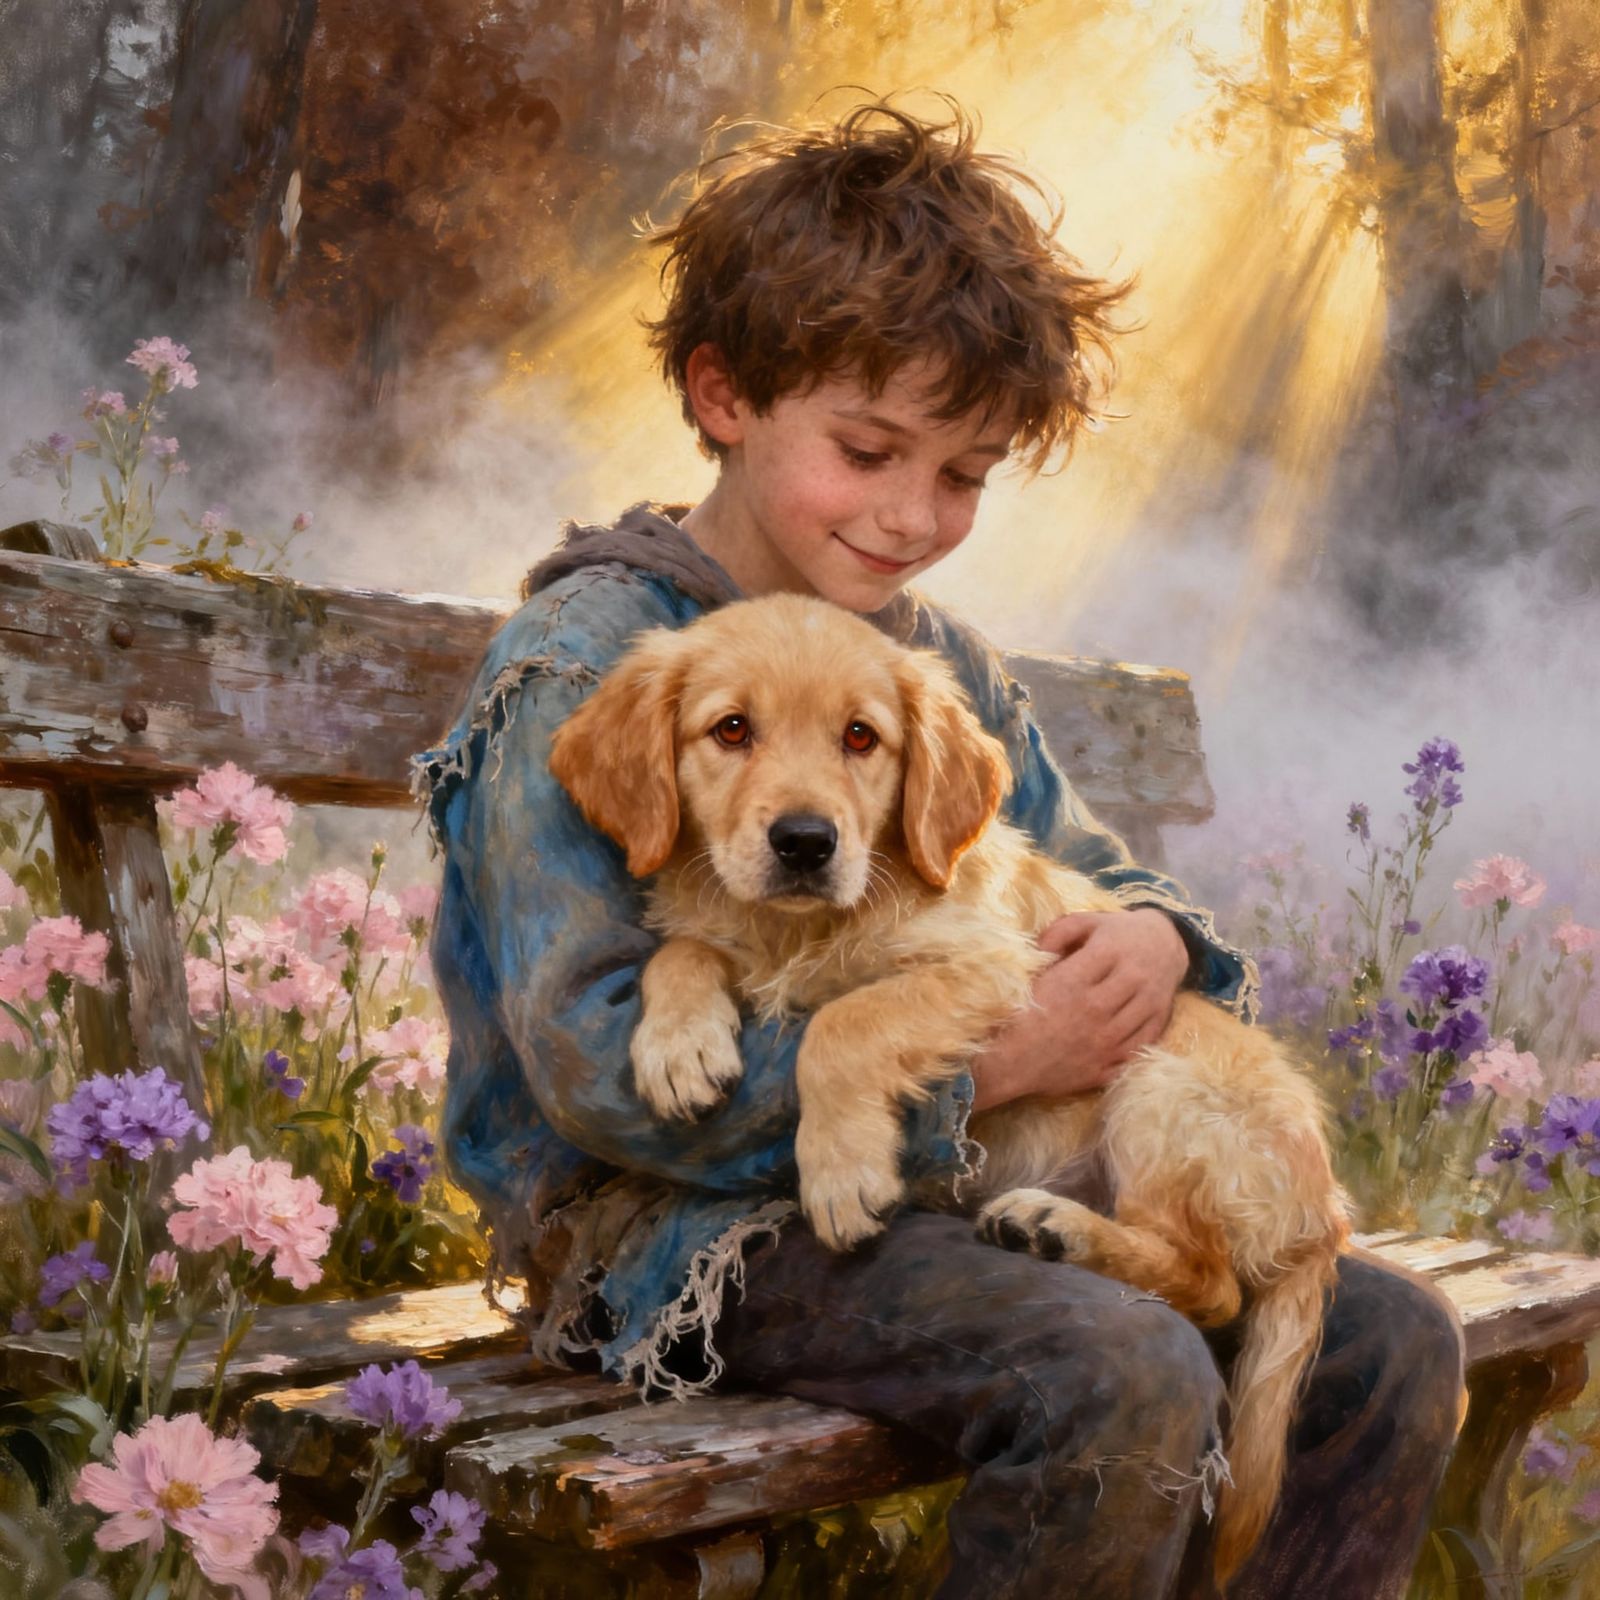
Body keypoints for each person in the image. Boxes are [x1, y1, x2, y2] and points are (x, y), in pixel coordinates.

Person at [414, 96, 1464, 1599]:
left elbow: (1092, 863)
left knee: (1389, 1337)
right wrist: (983, 1073)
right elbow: (593, 1069)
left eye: (963, 475)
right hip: (676, 1237)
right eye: (869, 448)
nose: (914, 514)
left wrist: (1158, 936)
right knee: (1115, 1365)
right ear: (722, 395)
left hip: (929, 1204)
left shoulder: (923, 665)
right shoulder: (587, 663)